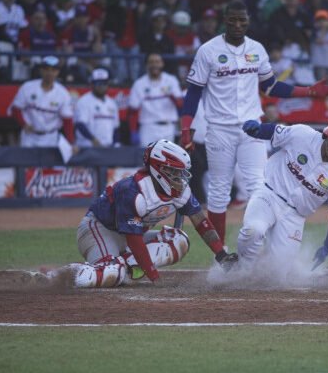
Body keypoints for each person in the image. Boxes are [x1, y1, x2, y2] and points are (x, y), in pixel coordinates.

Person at [180, 0, 328, 245]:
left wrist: (308, 91)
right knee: (219, 192)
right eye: (232, 20)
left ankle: (261, 247)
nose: (237, 24)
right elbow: (193, 93)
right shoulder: (207, 51)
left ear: (248, 22)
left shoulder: (256, 49)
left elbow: (271, 86)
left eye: (242, 20)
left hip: (251, 127)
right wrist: (186, 128)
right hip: (219, 129)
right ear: (225, 21)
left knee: (259, 187)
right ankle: (220, 257)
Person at [67, 139, 238, 288]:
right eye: (175, 172)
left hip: (129, 236)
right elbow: (134, 240)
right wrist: (154, 276)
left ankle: (124, 263)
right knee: (113, 274)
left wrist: (221, 254)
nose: (180, 178)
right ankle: (64, 275)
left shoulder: (180, 191)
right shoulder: (133, 191)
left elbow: (200, 222)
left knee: (179, 240)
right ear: (159, 169)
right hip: (99, 230)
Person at [236, 115, 328, 278]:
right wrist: (257, 129)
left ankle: (261, 263)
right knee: (254, 230)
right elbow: (273, 132)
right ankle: (241, 270)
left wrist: (327, 246)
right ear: (326, 134)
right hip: (269, 194)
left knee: (278, 275)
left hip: (295, 216)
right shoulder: (303, 135)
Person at [10, 55, 74, 147]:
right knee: (26, 161)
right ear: (41, 70)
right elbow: (16, 109)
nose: (49, 73)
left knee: (50, 162)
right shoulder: (27, 87)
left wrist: (70, 142)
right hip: (29, 136)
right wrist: (24, 124)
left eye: (53, 70)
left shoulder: (63, 93)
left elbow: (67, 120)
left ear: (58, 72)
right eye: (46, 69)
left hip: (50, 136)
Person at [128, 53, 183, 147]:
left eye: (157, 62)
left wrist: (171, 96)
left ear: (162, 64)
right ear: (146, 65)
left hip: (168, 127)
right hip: (147, 128)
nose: (154, 65)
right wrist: (133, 131)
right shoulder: (139, 84)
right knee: (147, 160)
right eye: (151, 62)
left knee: (166, 160)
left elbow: (180, 105)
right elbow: (133, 110)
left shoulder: (171, 80)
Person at [74, 68, 120, 148]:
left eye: (104, 83)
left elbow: (115, 128)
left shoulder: (112, 103)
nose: (101, 86)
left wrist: (116, 144)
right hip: (88, 146)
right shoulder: (83, 101)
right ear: (92, 84)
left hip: (107, 147)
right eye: (98, 83)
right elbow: (80, 125)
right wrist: (93, 139)